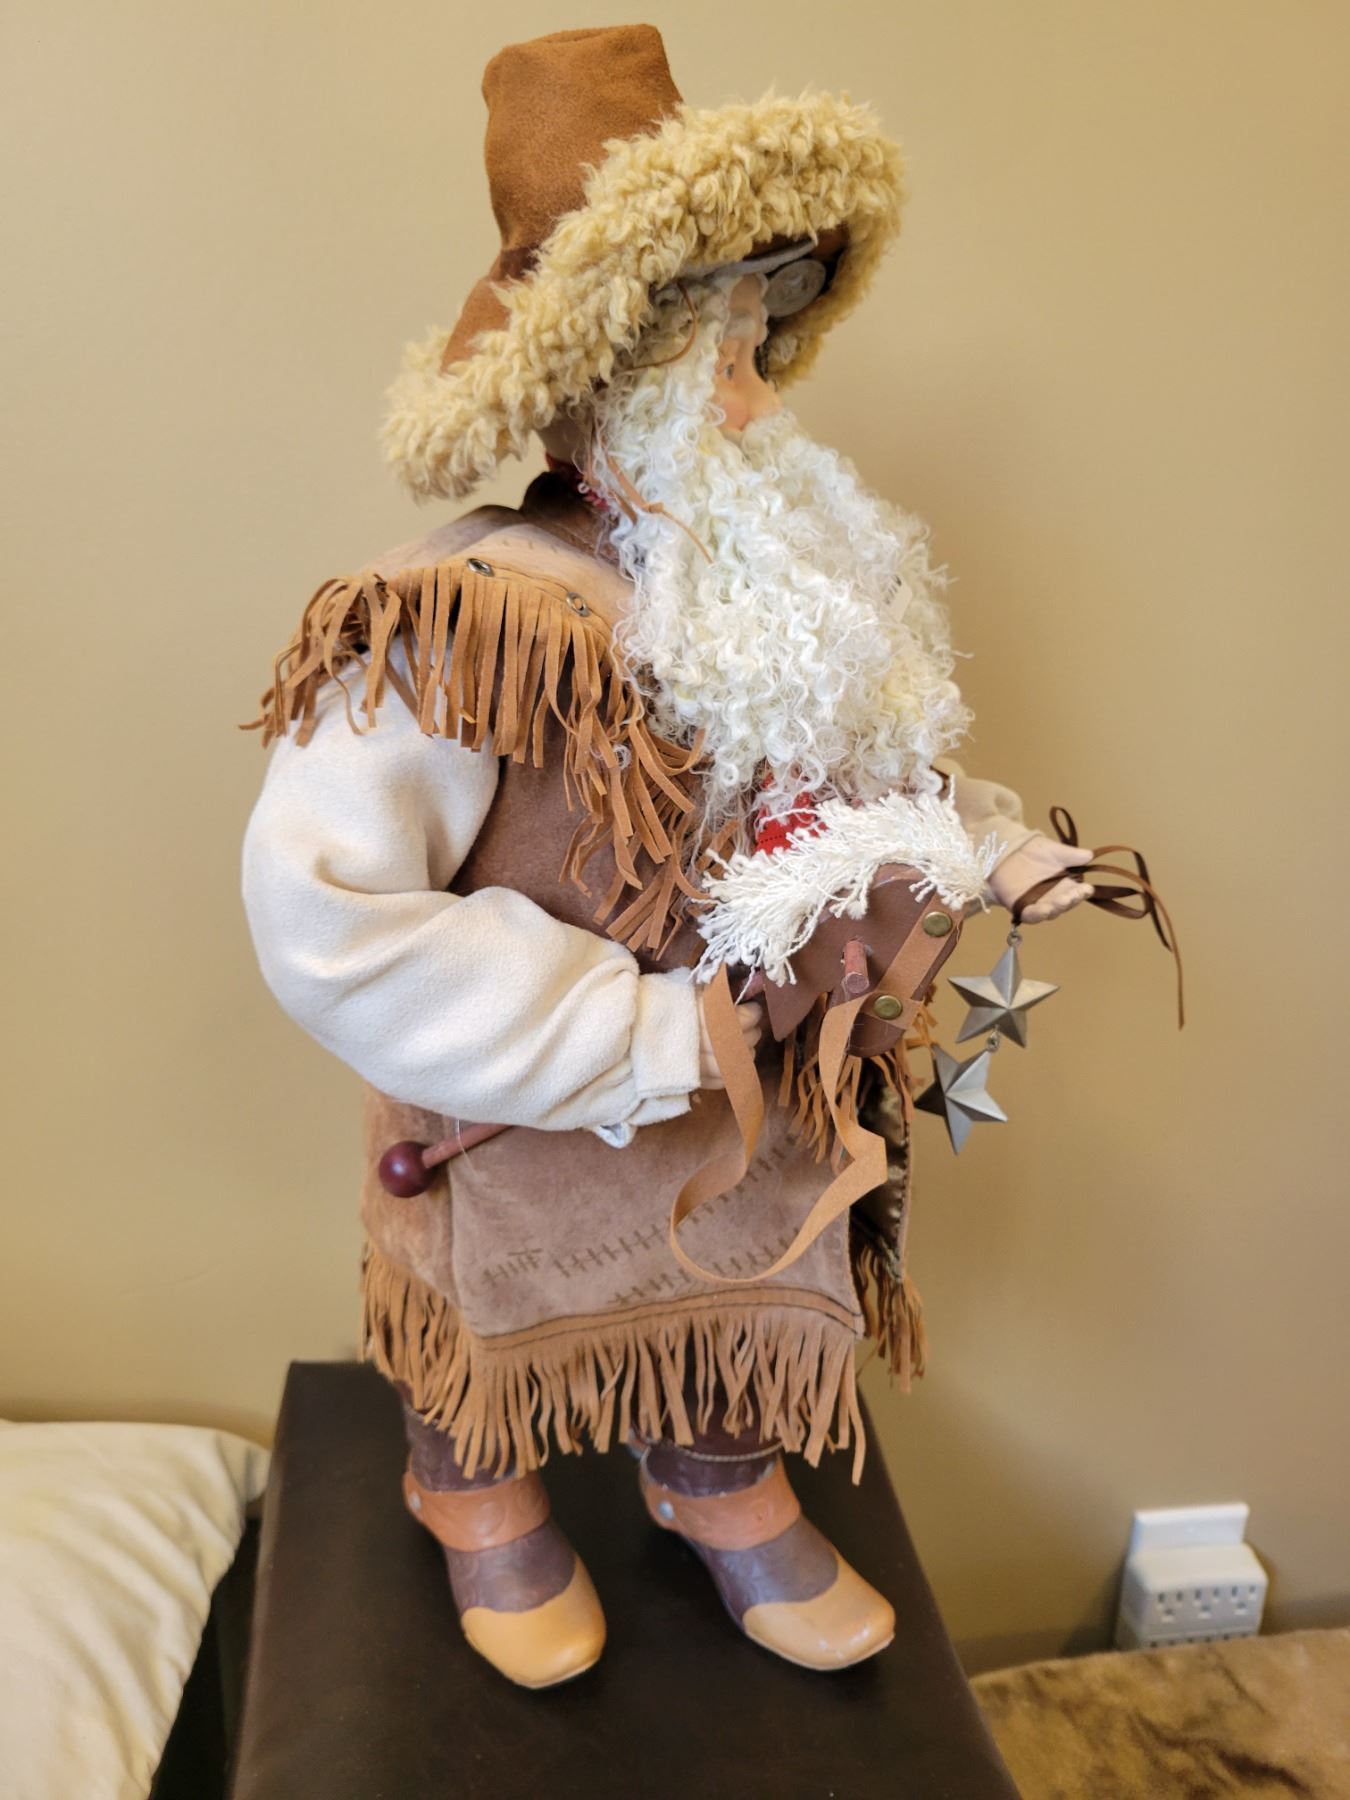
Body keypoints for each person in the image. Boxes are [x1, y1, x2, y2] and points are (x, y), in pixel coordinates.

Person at [242, 26, 1089, 1689]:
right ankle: (470, 1487)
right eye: (714, 360)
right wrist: (638, 1032)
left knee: (737, 1278)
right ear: (591, 378)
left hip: (744, 1112)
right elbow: (331, 916)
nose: (755, 400)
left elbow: (858, 778)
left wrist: (980, 841)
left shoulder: (769, 598)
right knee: (485, 1323)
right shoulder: (457, 625)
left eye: (760, 346)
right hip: (527, 1124)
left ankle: (712, 1474)